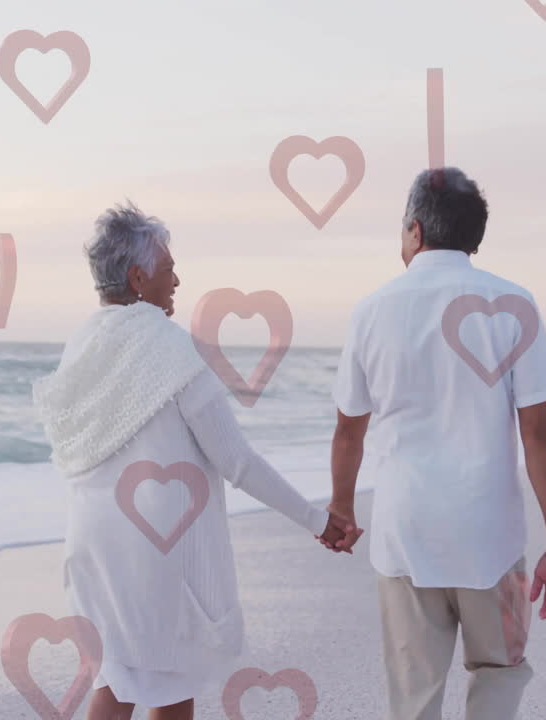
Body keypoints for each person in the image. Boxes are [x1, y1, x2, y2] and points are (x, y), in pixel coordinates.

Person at [32, 201, 360, 720]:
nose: (178, 279)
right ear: (139, 278)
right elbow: (236, 460)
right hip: (152, 548)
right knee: (161, 681)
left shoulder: (82, 344)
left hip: (91, 544)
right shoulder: (170, 347)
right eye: (168, 269)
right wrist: (317, 520)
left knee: (122, 679)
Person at [322, 167, 546, 720]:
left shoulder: (372, 310)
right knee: (500, 671)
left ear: (414, 230)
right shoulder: (513, 304)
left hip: (404, 530)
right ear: (475, 238)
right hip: (489, 534)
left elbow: (349, 429)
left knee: (413, 696)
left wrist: (341, 506)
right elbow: (539, 434)